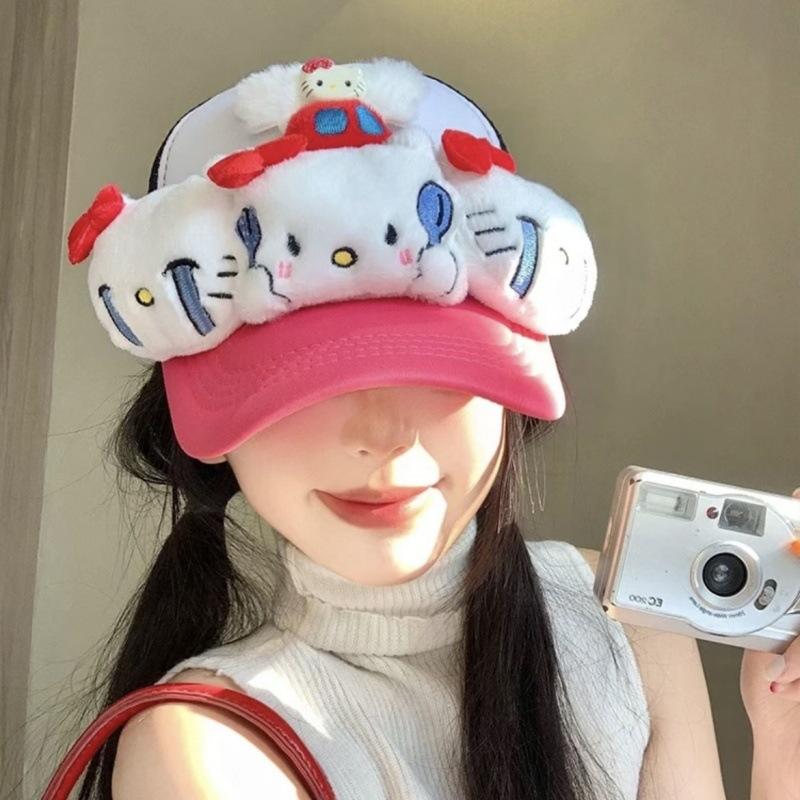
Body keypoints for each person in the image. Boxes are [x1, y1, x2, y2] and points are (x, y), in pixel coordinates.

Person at [65, 56, 800, 800]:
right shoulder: (208, 750)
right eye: (306, 380)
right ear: (217, 428)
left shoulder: (628, 625)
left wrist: (785, 752)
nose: (384, 434)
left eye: (437, 366)